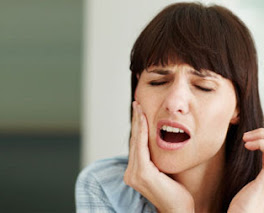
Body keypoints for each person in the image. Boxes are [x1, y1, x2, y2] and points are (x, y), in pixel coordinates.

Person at [75, 2, 264, 212]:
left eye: (203, 87)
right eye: (158, 82)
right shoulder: (106, 188)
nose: (174, 103)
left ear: (239, 106)